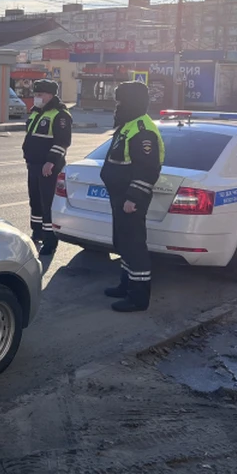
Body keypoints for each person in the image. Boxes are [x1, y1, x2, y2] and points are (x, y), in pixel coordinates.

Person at [100, 81, 164, 312]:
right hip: (120, 197)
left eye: (121, 101)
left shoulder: (142, 130)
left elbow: (147, 169)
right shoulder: (128, 126)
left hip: (130, 199)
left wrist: (133, 198)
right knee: (124, 242)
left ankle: (138, 298)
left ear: (132, 102)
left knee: (135, 246)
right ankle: (126, 285)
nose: (118, 106)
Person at [22, 79, 72, 255]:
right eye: (35, 94)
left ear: (50, 95)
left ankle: (50, 240)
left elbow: (62, 142)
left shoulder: (60, 115)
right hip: (34, 165)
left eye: (40, 95)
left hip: (48, 167)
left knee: (48, 203)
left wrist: (51, 161)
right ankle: (37, 232)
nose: (36, 98)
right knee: (35, 200)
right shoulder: (36, 113)